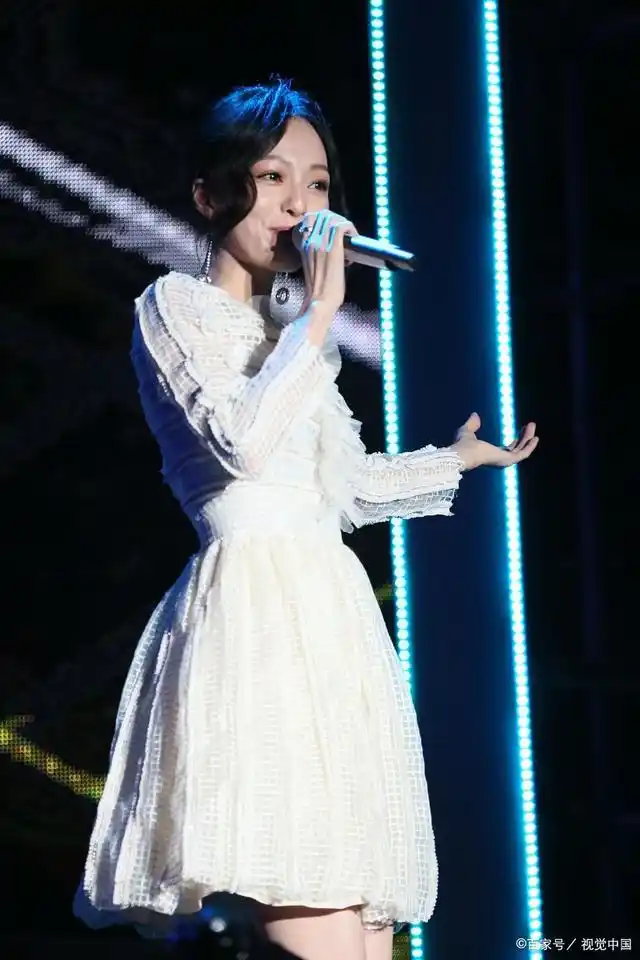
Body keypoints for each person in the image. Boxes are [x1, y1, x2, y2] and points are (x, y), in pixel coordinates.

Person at [73, 79, 538, 960]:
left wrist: (456, 460)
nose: (300, 205)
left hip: (332, 618)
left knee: (366, 922)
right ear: (211, 195)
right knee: (306, 890)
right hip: (256, 613)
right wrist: (319, 314)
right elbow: (243, 451)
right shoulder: (175, 308)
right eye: (273, 177)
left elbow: (340, 490)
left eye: (318, 184)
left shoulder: (288, 334)